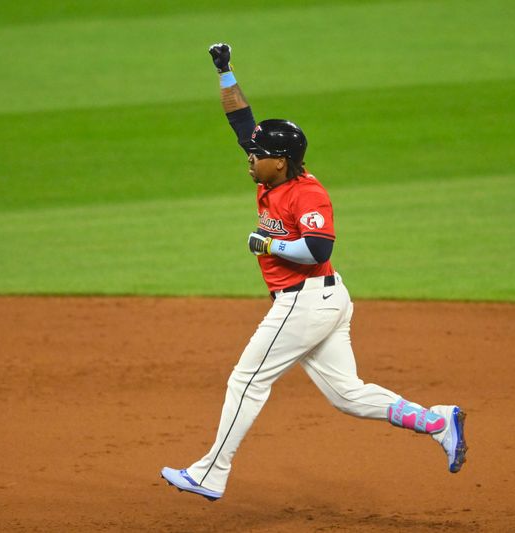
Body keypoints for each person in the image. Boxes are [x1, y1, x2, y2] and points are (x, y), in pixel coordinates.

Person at [160, 43, 467, 501]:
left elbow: (318, 246)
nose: (249, 156)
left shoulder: (307, 195)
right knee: (346, 394)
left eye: (257, 154)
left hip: (305, 299)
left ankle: (212, 471)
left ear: (279, 161)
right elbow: (242, 120)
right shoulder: (273, 171)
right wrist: (225, 72)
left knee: (248, 379)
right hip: (323, 299)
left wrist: (267, 243)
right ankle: (439, 421)